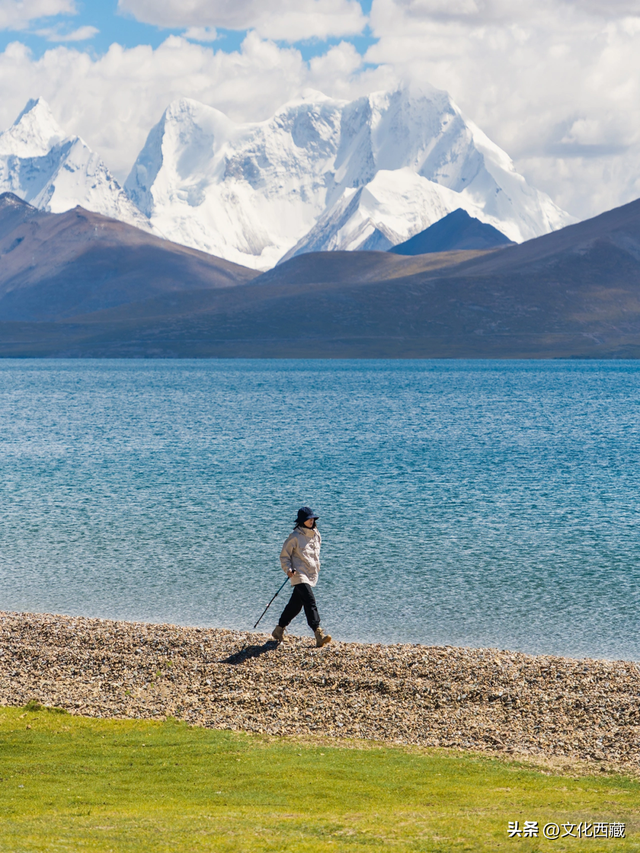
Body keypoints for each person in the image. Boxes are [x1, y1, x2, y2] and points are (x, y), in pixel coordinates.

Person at [272, 506, 332, 648]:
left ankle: (279, 629)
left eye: (312, 518)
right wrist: (288, 569)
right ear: (301, 521)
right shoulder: (295, 536)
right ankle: (318, 634)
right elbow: (284, 556)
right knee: (310, 601)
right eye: (308, 519)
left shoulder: (316, 534)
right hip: (298, 574)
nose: (311, 521)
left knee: (295, 605)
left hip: (310, 573)